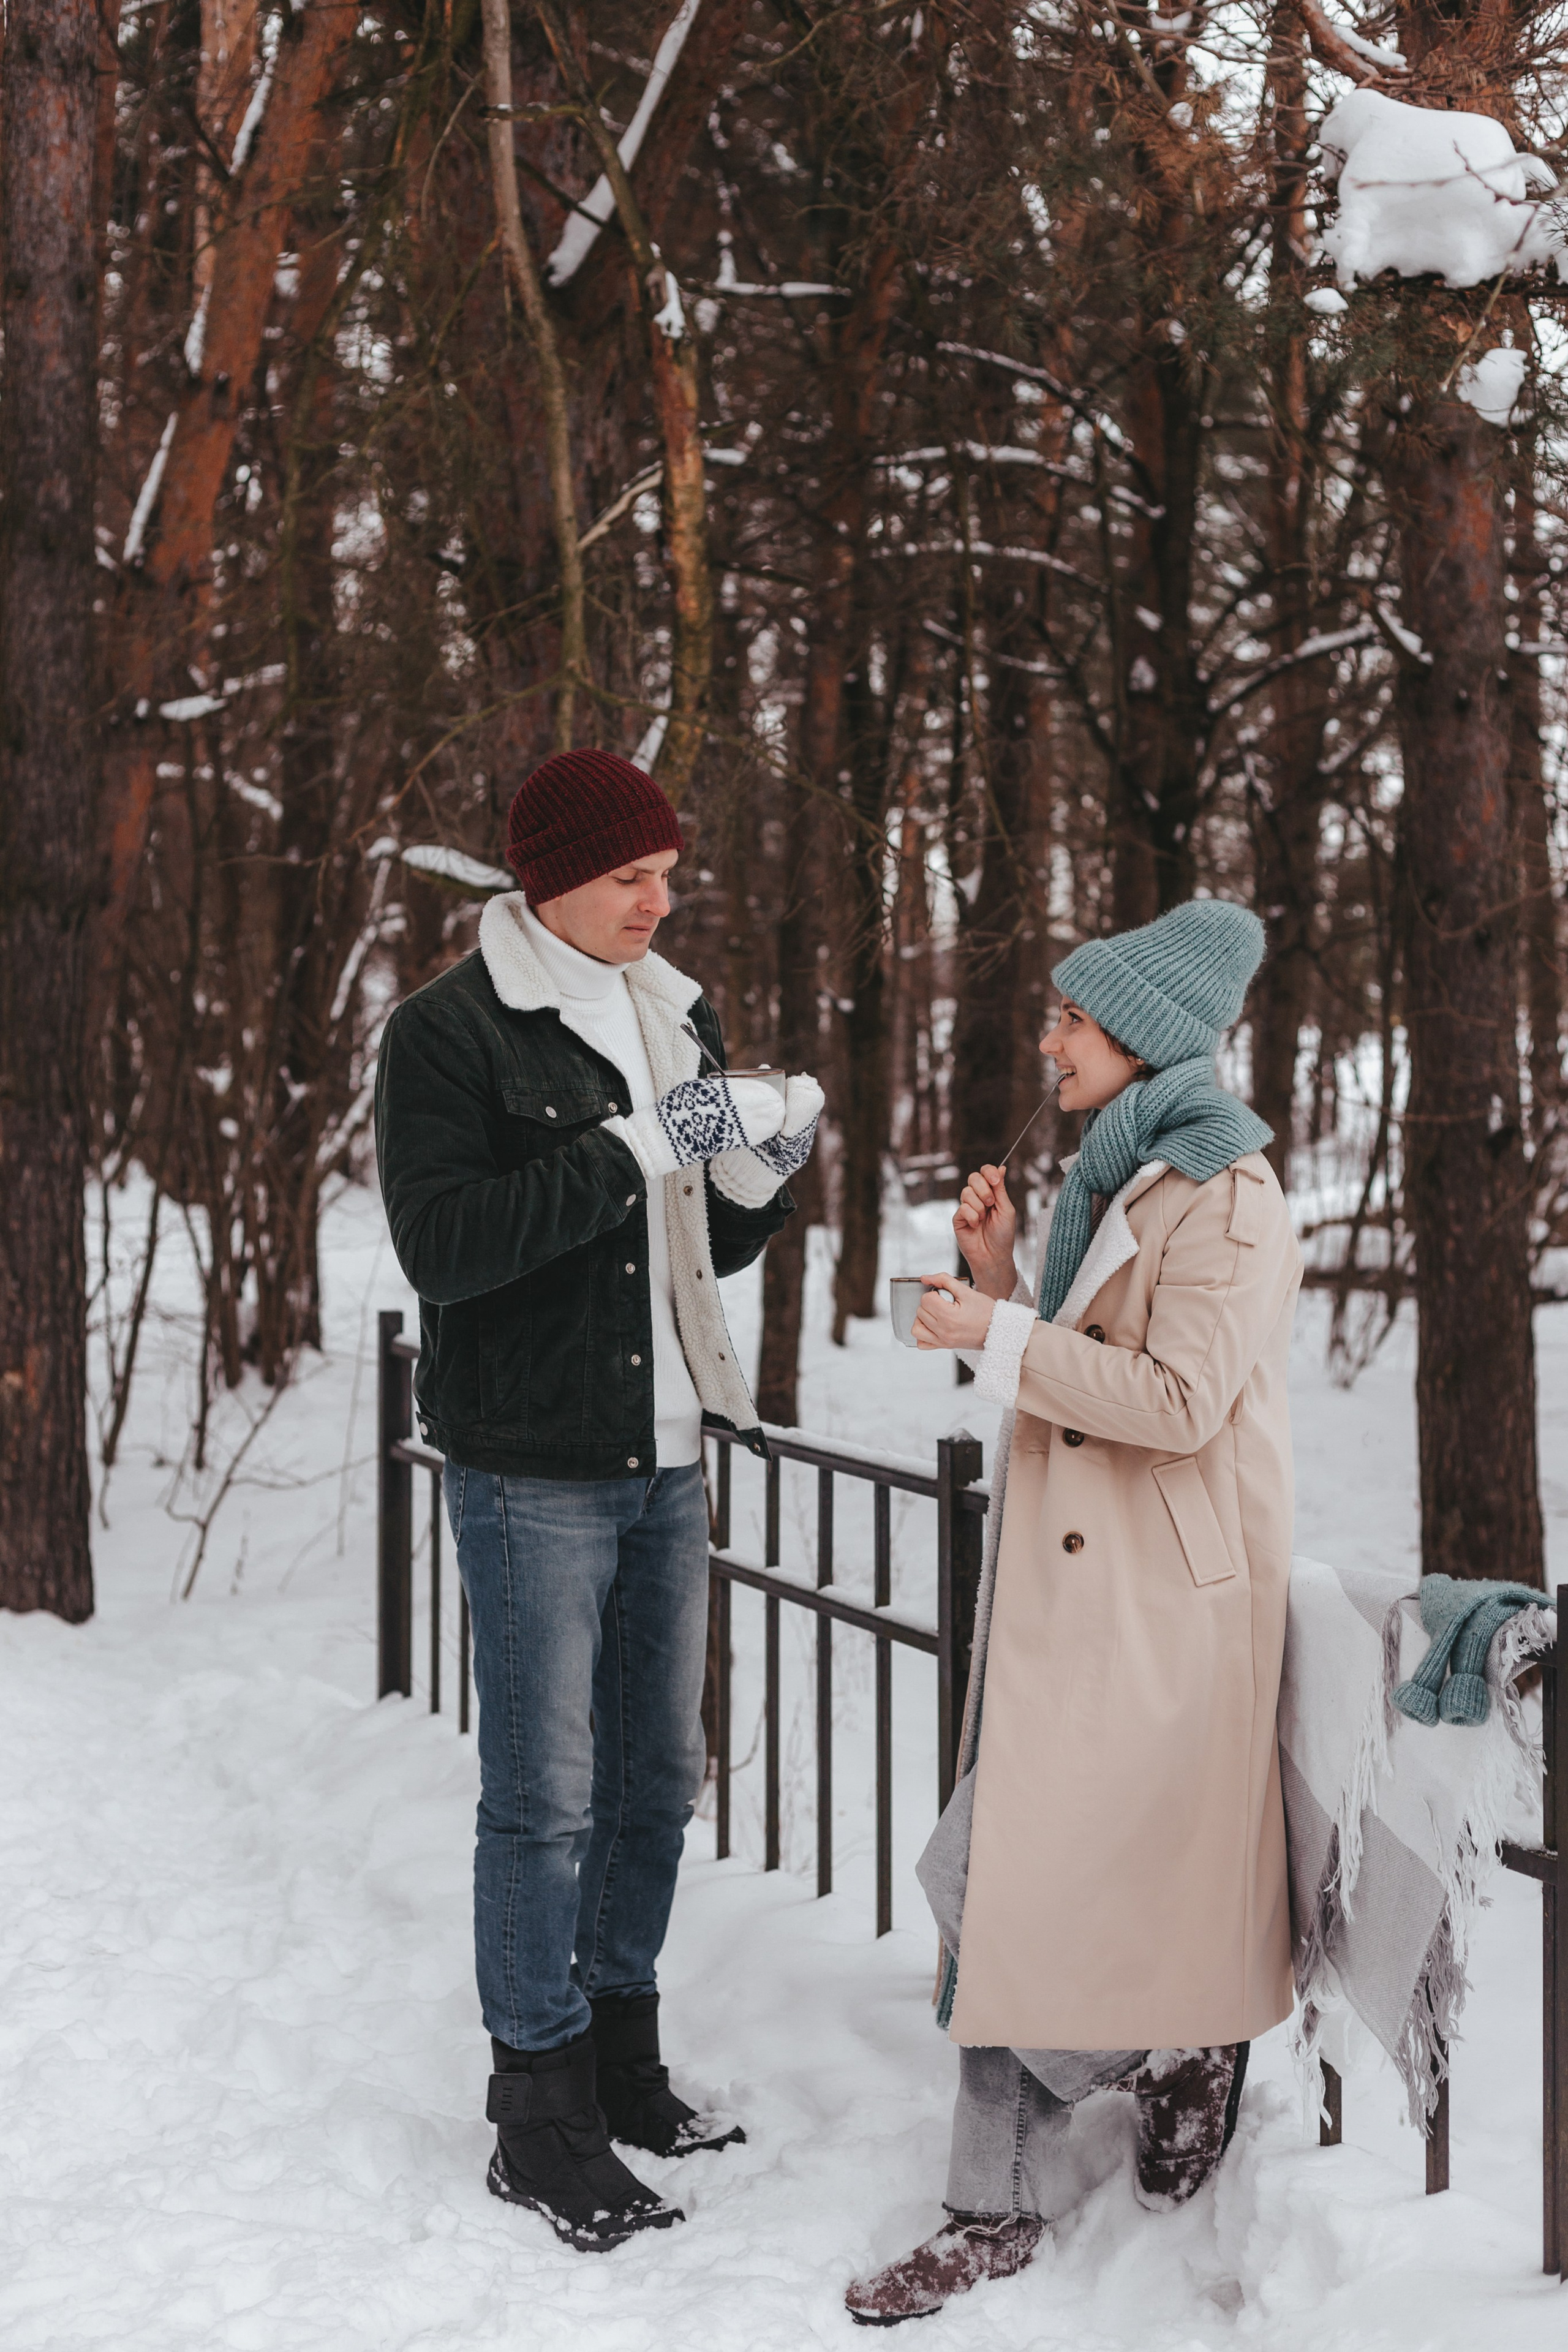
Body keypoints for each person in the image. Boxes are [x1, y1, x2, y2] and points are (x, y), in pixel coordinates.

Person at [374, 748, 822, 2253]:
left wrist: (760, 1173)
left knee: (655, 1781)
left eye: (666, 872)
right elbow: (448, 1246)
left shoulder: (671, 1010)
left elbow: (700, 1241)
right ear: (547, 881)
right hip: (533, 1468)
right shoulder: (447, 1033)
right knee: (546, 1800)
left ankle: (621, 2063)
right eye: (631, 876)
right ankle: (537, 2111)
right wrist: (632, 1146)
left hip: (667, 1452)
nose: (659, 897)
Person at [845, 898, 1302, 2326]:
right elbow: (1086, 1348)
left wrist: (998, 1330)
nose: (1048, 1040)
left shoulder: (1228, 1191)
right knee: (996, 1888)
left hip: (1159, 1611)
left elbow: (1173, 1404)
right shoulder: (1129, 1171)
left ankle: (1020, 2182)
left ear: (1145, 1039)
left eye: (1072, 1021)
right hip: (1084, 1596)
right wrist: (1003, 1285)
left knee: (1007, 1895)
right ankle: (1151, 2059)